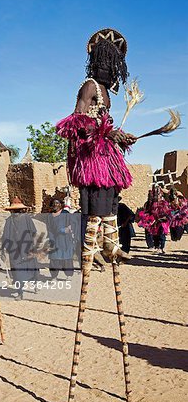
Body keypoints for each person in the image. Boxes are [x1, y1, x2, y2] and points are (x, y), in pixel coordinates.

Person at [56, 28, 137, 261]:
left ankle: (111, 244)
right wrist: (107, 135)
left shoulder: (105, 92)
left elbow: (104, 125)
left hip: (104, 155)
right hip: (91, 157)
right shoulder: (90, 86)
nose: (112, 71)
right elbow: (77, 121)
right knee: (97, 200)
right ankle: (93, 245)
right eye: (110, 64)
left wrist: (119, 136)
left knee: (112, 196)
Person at [1, 197, 38, 300]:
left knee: (29, 267)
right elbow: (5, 236)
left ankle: (32, 286)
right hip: (16, 250)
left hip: (24, 248)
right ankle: (20, 292)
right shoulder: (10, 220)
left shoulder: (26, 218)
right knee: (18, 270)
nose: (15, 212)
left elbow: (33, 233)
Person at [46, 198, 78, 279]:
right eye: (53, 203)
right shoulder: (49, 216)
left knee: (67, 258)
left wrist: (68, 229)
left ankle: (69, 275)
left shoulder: (66, 213)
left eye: (57, 203)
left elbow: (73, 223)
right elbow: (49, 228)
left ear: (61, 205)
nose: (55, 205)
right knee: (54, 259)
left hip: (65, 239)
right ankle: (54, 276)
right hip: (55, 239)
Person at [138, 186, 171, 254]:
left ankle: (161, 248)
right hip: (154, 222)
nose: (157, 196)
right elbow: (148, 211)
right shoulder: (150, 203)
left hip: (162, 221)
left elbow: (167, 212)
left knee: (161, 234)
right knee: (155, 234)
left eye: (158, 194)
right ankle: (157, 247)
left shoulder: (164, 203)